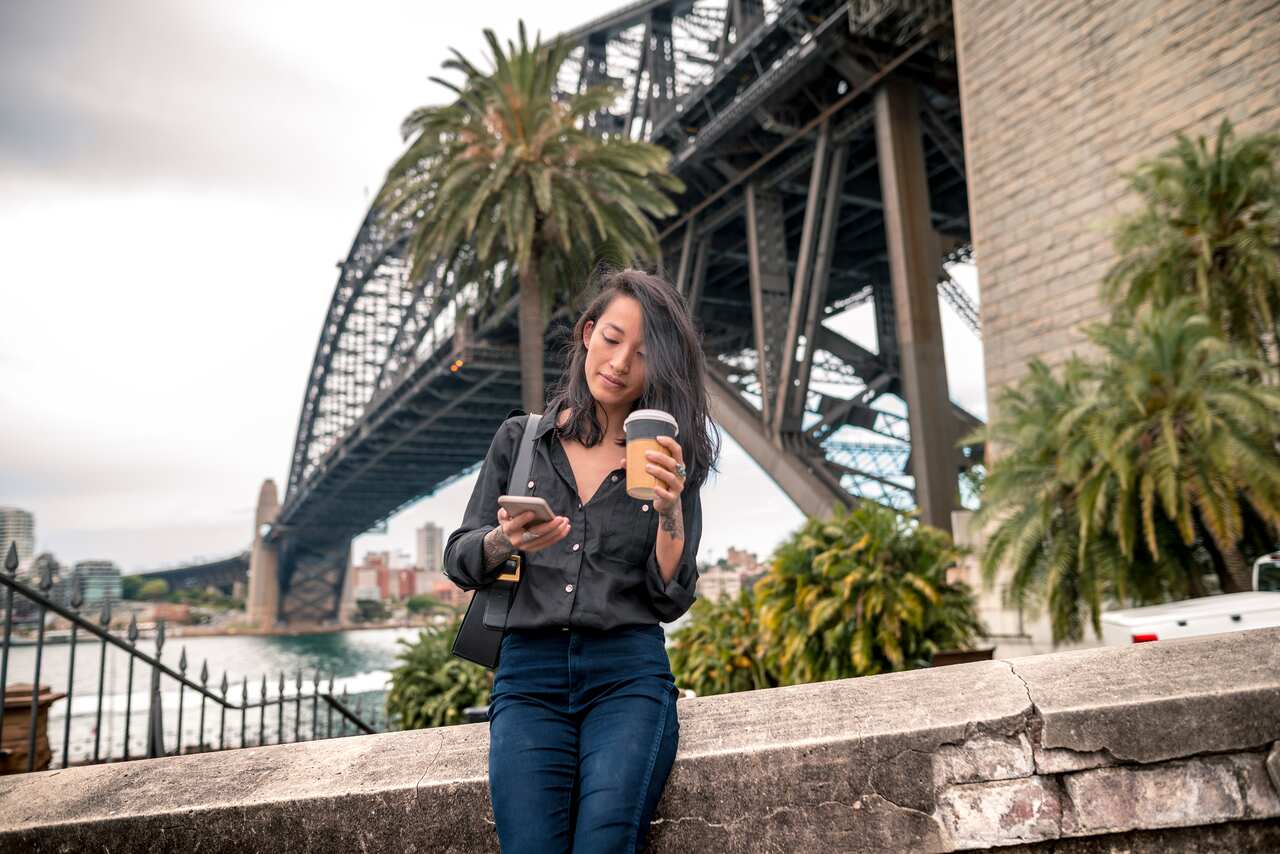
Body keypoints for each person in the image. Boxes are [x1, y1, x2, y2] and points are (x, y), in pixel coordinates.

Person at [443, 268, 721, 853]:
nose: (620, 364)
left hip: (626, 675)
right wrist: (505, 541)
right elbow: (459, 558)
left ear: (660, 369)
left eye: (642, 354)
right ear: (588, 333)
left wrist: (670, 510)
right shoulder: (522, 442)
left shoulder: (671, 460)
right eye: (613, 339)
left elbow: (669, 599)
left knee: (605, 843)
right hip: (528, 679)